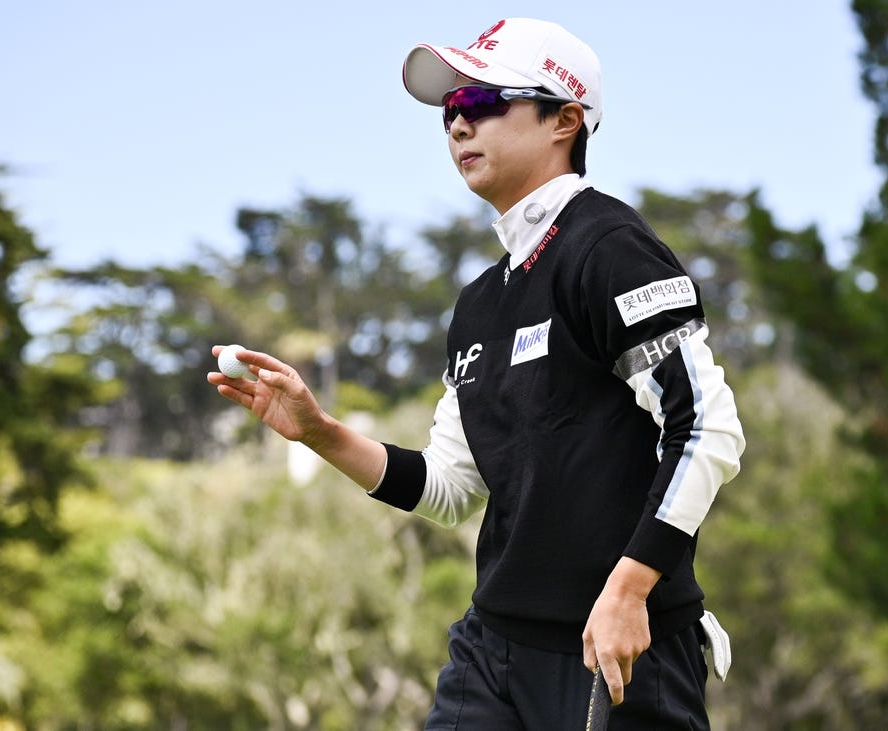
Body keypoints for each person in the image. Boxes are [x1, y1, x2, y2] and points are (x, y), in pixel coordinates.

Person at [208, 17, 745, 730]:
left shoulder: (609, 248)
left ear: (567, 119)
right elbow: (450, 487)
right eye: (450, 111)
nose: (458, 126)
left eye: (482, 103)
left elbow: (707, 428)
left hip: (617, 645)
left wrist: (630, 587)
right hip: (493, 648)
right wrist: (318, 432)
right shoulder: (479, 303)